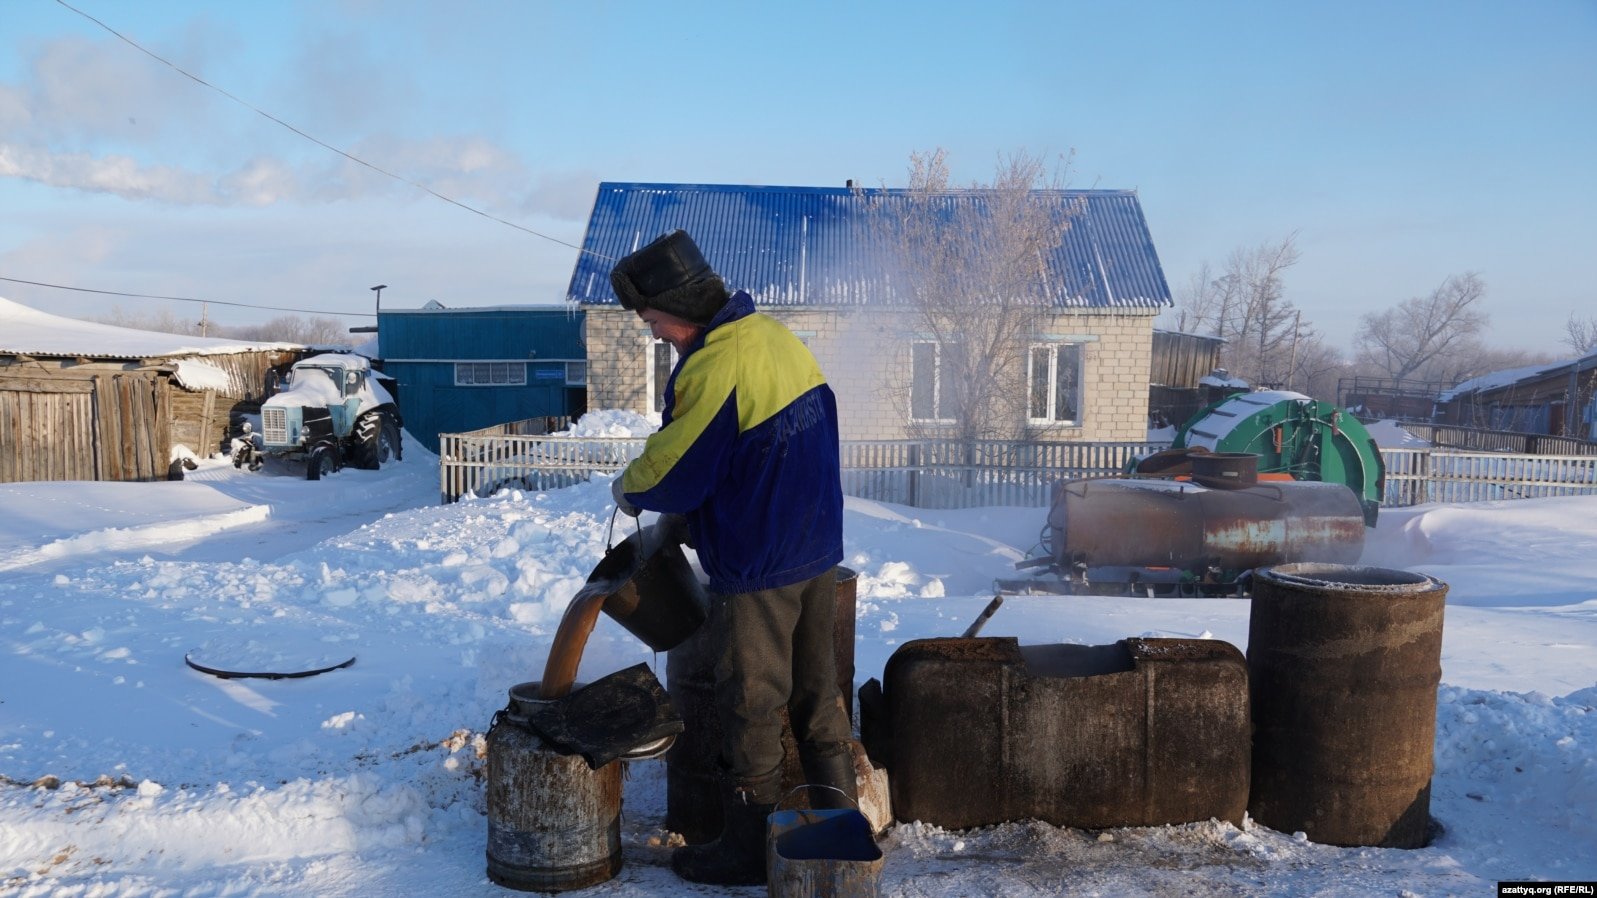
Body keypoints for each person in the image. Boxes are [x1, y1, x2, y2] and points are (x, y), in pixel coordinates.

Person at [608, 229, 856, 886]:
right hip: (814, 545)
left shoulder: (716, 363)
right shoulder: (772, 337)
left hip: (760, 560)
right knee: (817, 693)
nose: (655, 334)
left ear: (678, 307)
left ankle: (748, 847)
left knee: (751, 702)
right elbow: (754, 444)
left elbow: (678, 465)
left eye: (653, 321)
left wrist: (630, 490)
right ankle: (841, 827)